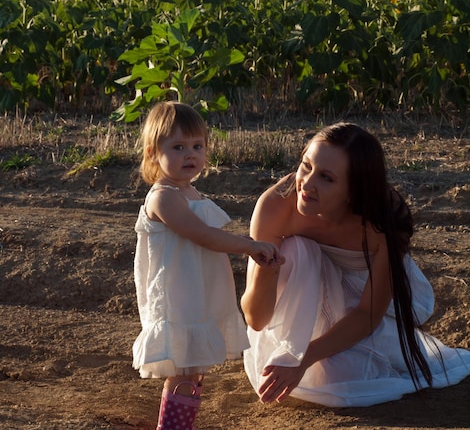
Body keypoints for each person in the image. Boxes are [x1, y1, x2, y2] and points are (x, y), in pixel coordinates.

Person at [241, 122, 470, 407]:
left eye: (327, 177)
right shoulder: (276, 206)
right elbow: (256, 319)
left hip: (362, 298)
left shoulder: (384, 220)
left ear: (353, 191)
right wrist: (269, 269)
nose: (307, 184)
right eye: (306, 165)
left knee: (341, 377)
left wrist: (305, 358)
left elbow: (367, 313)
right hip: (306, 292)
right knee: (298, 249)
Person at [132, 101, 281, 430]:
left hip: (197, 294)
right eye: (178, 147)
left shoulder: (190, 192)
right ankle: (173, 427)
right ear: (153, 152)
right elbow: (203, 236)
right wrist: (249, 245)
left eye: (197, 146)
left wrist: (248, 243)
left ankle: (181, 423)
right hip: (178, 298)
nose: (190, 155)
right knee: (184, 370)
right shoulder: (163, 198)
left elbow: (208, 236)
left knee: (194, 369)